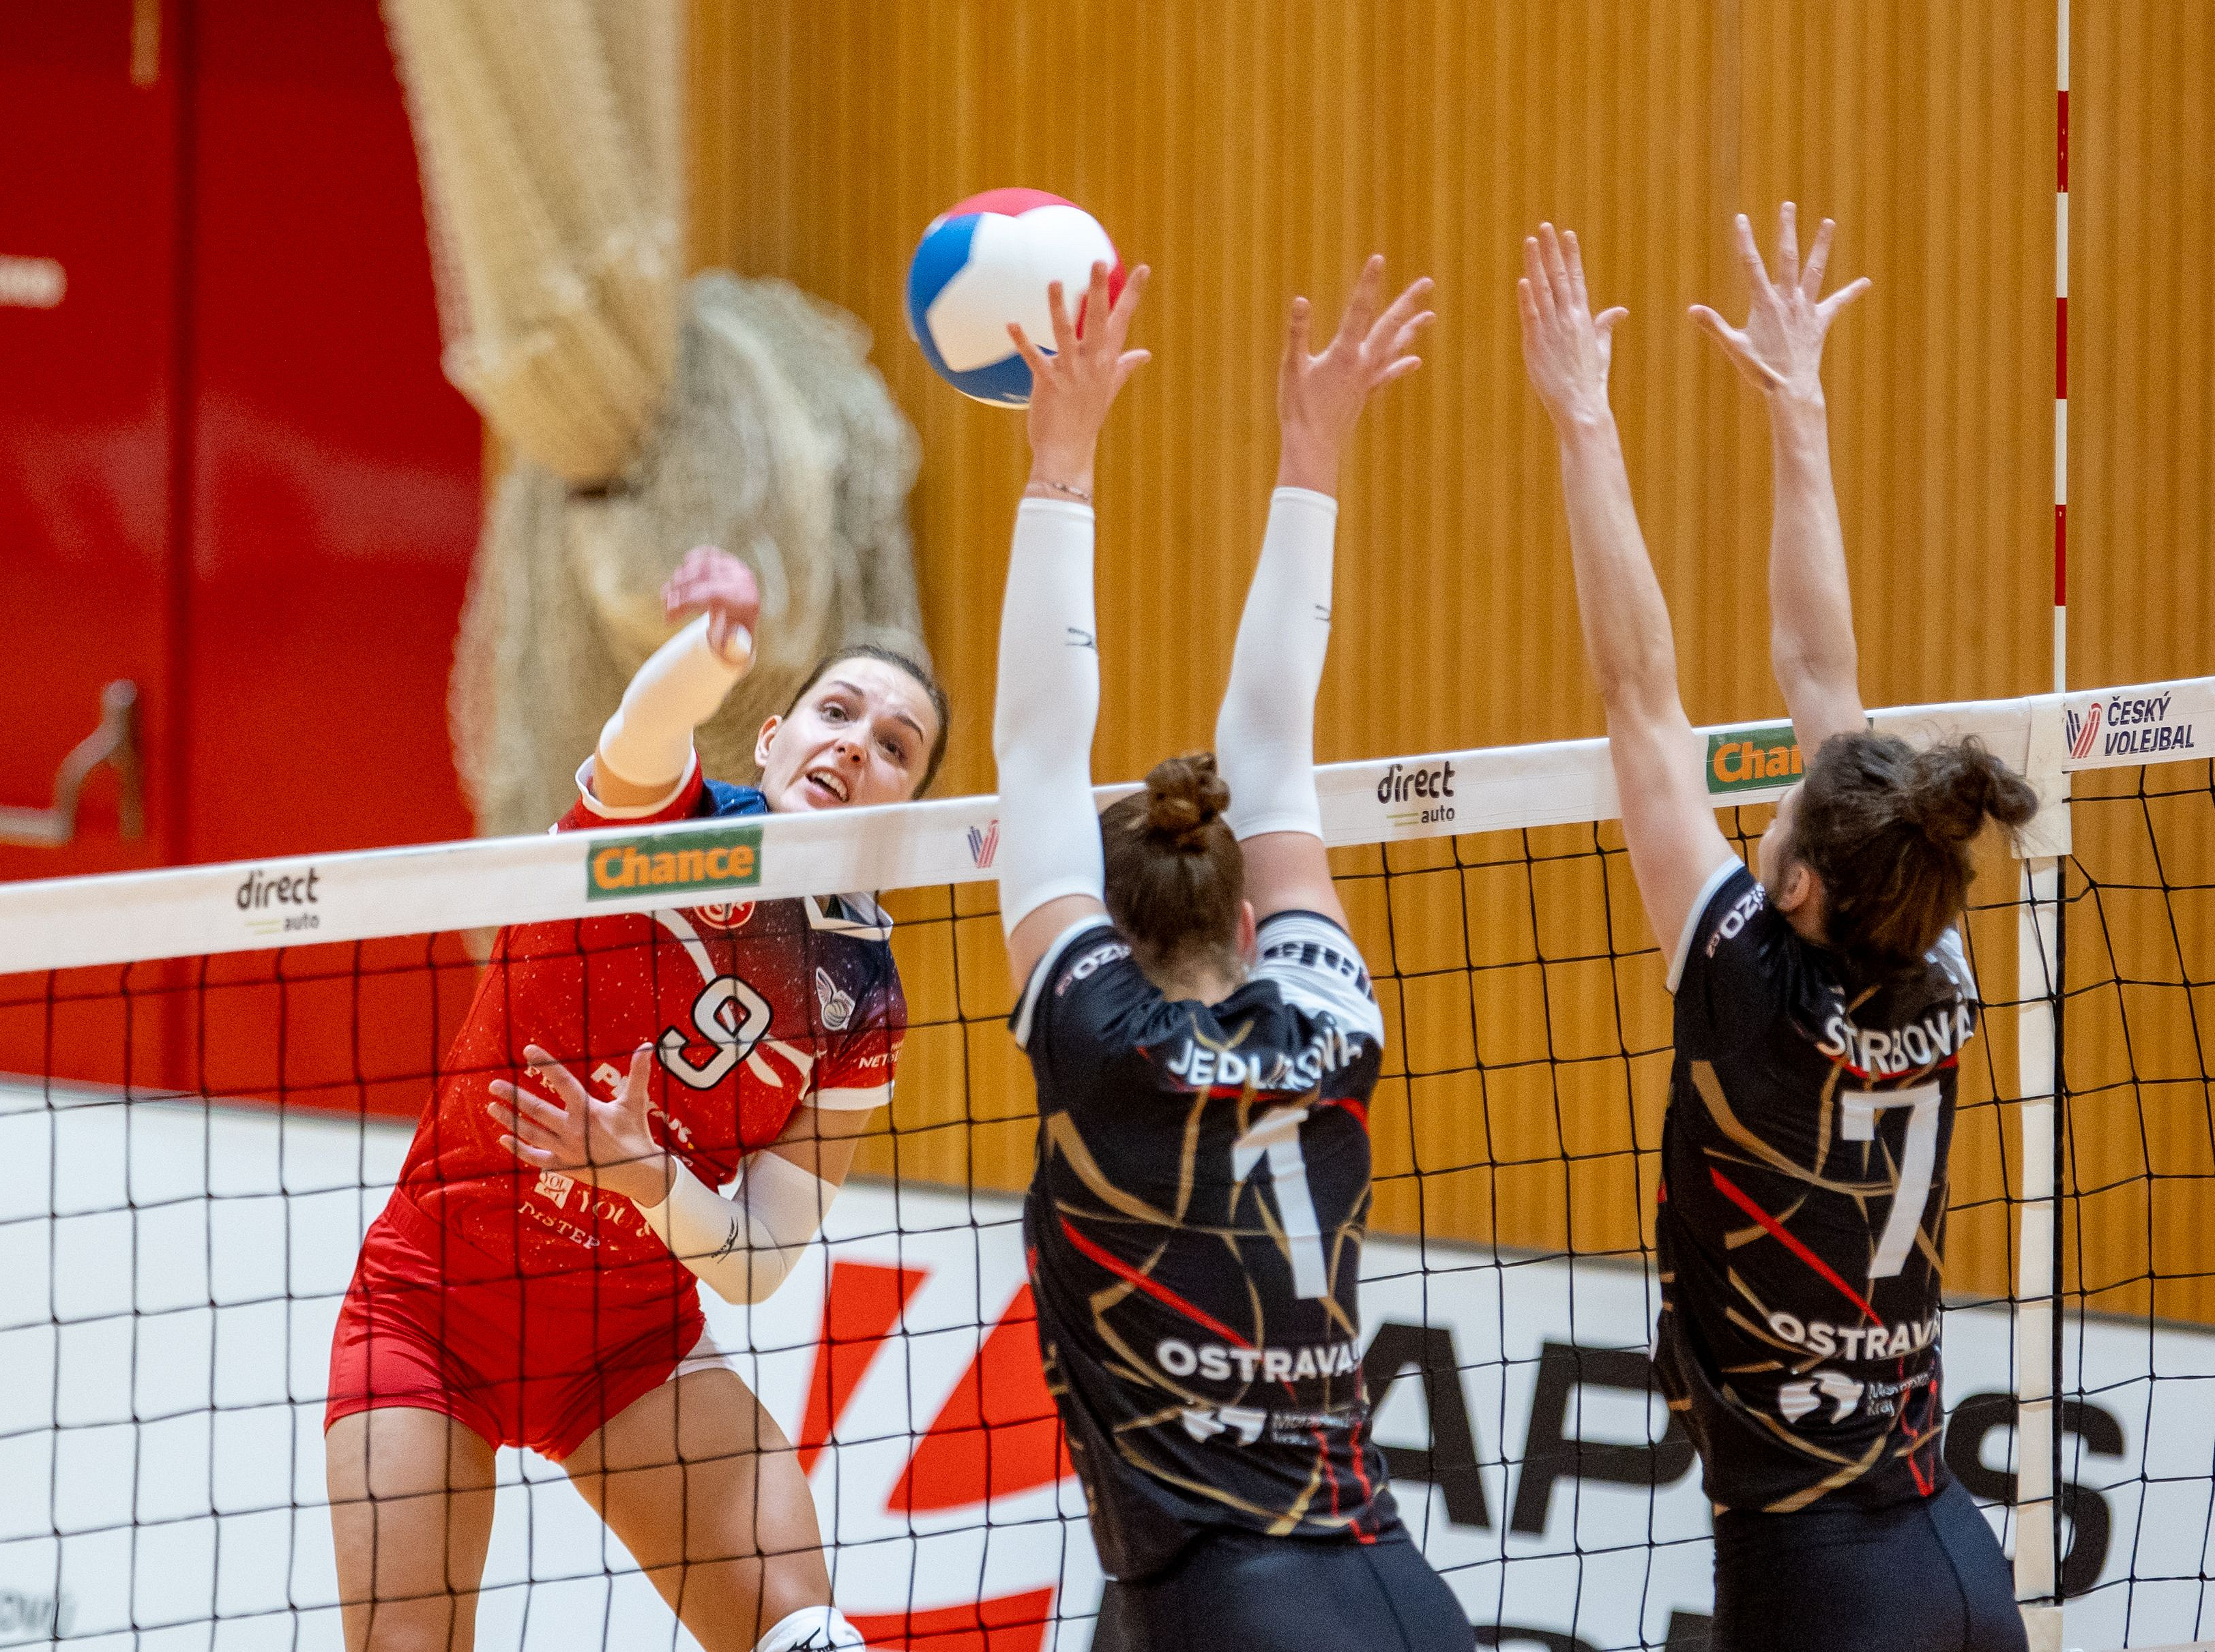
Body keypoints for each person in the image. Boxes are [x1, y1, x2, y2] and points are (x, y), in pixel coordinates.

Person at [1517, 206, 2035, 1652]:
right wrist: (1795, 409)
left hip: (1819, 1579)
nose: (1781, 793)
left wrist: (1581, 419)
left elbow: (1639, 692)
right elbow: (1820, 672)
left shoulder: (1747, 981)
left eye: (1789, 808)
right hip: (1954, 1553)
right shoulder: (1931, 952)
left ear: (1799, 882)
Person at [325, 548, 950, 1652]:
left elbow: (758, 1259)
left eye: (894, 745)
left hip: (630, 1349)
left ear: (907, 812)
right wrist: (714, 647)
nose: (857, 743)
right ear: (772, 738)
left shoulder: (863, 1002)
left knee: (807, 1636)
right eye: (836, 712)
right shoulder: (662, 828)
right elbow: (647, 726)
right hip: (431, 1309)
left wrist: (645, 1178)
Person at [989, 255, 1474, 1652]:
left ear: (1101, 929)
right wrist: (1310, 455)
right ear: (1251, 927)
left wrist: (1060, 459)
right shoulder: (1333, 1020)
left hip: (1225, 1610)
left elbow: (1037, 745)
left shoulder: (1097, 1041)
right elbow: (1267, 748)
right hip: (1401, 1590)